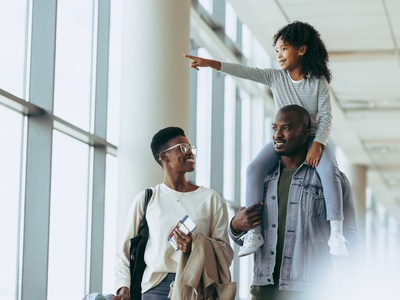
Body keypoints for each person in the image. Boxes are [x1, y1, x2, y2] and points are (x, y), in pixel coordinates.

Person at [184, 20, 347, 258]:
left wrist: (318, 144)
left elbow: (327, 117)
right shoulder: (275, 78)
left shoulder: (318, 81)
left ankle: (337, 234)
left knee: (329, 170)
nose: (279, 55)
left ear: (302, 50)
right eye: (277, 50)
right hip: (284, 140)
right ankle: (254, 233)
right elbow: (243, 71)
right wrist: (210, 63)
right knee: (253, 169)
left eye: (284, 49)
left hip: (312, 137)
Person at [229, 105, 358, 300]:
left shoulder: (332, 181)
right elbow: (247, 239)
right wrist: (235, 227)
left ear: (305, 134)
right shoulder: (262, 180)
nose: (277, 135)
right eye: (275, 128)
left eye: (286, 128)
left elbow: (351, 238)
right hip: (264, 291)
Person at [112, 126, 235, 300]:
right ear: (164, 157)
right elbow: (125, 252)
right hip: (154, 289)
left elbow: (226, 255)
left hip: (195, 288)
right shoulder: (147, 199)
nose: (190, 153)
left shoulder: (211, 199)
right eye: (182, 148)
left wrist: (195, 246)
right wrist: (123, 287)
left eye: (191, 148)